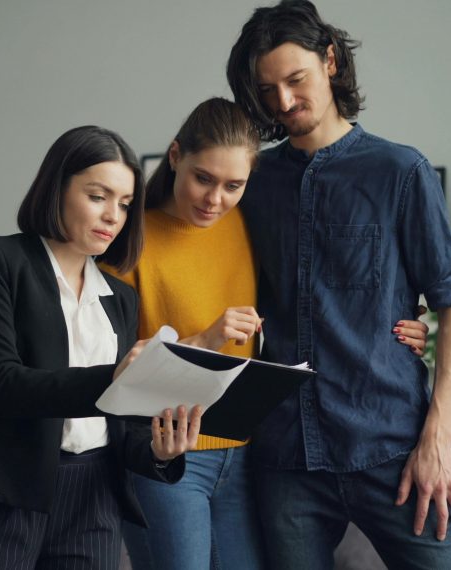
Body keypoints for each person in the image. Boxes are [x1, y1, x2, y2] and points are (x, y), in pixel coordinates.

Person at [104, 98, 430, 569]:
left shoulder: (246, 223)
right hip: (166, 452)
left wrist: (406, 322)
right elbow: (112, 373)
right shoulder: (129, 241)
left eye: (233, 185)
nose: (214, 199)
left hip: (243, 455)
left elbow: (316, 291)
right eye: (203, 178)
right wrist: (205, 341)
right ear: (175, 156)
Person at [226, 1, 451, 568]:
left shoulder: (400, 172)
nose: (283, 102)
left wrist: (437, 440)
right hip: (286, 455)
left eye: (296, 80)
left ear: (331, 60)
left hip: (390, 445)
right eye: (267, 90)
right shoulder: (253, 183)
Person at [0, 125, 203, 570]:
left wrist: (160, 451)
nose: (113, 216)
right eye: (98, 196)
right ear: (57, 187)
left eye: (125, 204)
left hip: (95, 498)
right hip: (6, 492)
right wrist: (115, 378)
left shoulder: (120, 298)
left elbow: (123, 427)